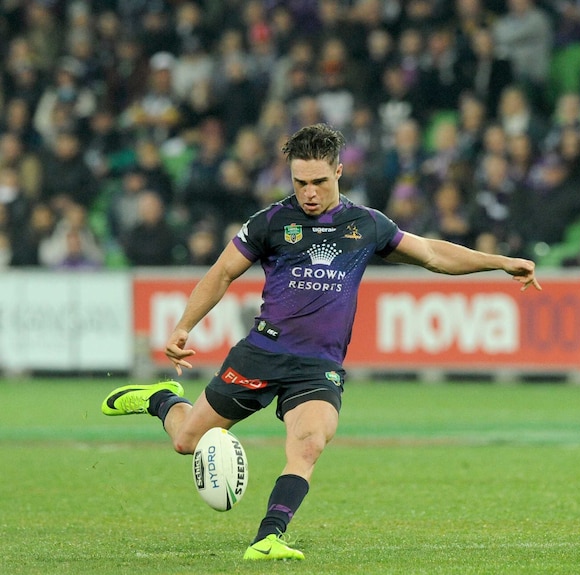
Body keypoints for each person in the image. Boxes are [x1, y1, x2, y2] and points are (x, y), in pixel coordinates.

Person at [100, 123, 541, 562]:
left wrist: (500, 262)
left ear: (339, 173)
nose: (308, 192)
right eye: (299, 182)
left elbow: (432, 254)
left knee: (309, 443)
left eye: (318, 182)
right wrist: (183, 326)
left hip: (318, 365)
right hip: (263, 353)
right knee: (188, 441)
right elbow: (222, 273)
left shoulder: (366, 224)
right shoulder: (271, 222)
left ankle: (267, 537)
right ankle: (161, 399)